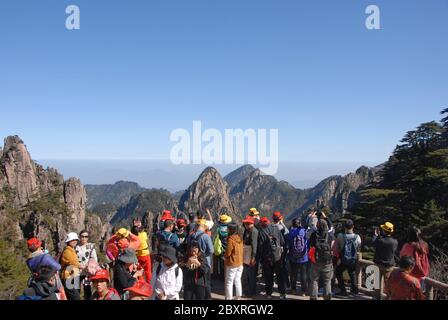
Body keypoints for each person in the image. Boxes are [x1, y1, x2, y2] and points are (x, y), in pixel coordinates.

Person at [258, 217, 287, 299]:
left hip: (267, 258)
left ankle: (269, 294)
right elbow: (282, 242)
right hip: (277, 256)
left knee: (268, 276)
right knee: (279, 276)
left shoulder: (262, 232)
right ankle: (282, 293)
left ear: (262, 224)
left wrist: (261, 258)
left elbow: (260, 247)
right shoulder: (276, 228)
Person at [334, 219, 361, 296]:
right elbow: (358, 247)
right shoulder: (357, 237)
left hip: (343, 259)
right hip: (353, 259)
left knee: (338, 272)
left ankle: (343, 290)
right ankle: (355, 291)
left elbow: (336, 249)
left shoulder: (340, 236)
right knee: (352, 273)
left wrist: (338, 258)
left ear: (344, 227)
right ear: (353, 226)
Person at [308, 219, 333, 300]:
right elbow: (333, 248)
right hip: (327, 262)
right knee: (327, 280)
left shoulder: (314, 235)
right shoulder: (330, 235)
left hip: (316, 261)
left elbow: (311, 247)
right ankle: (327, 297)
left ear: (317, 226)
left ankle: (313, 297)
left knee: (314, 280)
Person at [287, 218, 309, 296]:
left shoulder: (291, 232)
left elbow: (288, 244)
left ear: (293, 224)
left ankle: (293, 290)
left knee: (293, 274)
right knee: (304, 274)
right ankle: (303, 291)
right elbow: (307, 242)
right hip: (304, 257)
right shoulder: (304, 231)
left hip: (293, 257)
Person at [372, 222, 398, 287]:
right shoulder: (395, 242)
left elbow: (373, 243)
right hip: (389, 266)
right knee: (388, 284)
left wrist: (375, 235)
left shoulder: (380, 241)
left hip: (379, 264)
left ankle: (377, 297)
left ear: (384, 230)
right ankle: (388, 296)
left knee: (377, 284)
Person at [60, 232, 83, 300]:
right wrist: (84, 267)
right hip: (68, 277)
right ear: (68, 241)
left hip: (73, 275)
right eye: (72, 240)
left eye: (75, 240)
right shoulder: (67, 250)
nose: (74, 241)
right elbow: (73, 262)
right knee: (75, 297)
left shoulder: (72, 250)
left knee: (71, 296)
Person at [224, 222, 243, 300]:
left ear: (230, 230)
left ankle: (229, 298)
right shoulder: (240, 237)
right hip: (240, 262)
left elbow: (228, 252)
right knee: (237, 279)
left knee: (229, 281)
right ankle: (238, 296)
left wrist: (225, 257)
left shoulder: (231, 239)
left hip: (232, 263)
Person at [76, 230, 98, 300]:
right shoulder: (76, 247)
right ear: (79, 237)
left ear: (88, 238)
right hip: (77, 272)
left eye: (86, 236)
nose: (84, 238)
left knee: (87, 290)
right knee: (76, 290)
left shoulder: (91, 247)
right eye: (82, 236)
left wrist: (87, 266)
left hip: (87, 273)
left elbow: (94, 259)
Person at [242, 215, 259, 297]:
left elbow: (254, 246)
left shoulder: (254, 232)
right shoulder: (247, 230)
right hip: (246, 256)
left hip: (250, 257)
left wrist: (253, 258)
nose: (244, 225)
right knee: (246, 275)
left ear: (250, 223)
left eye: (246, 223)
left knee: (251, 275)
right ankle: (247, 291)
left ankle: (251, 292)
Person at [131, 218, 152, 284]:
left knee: (139, 270)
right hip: (146, 254)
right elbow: (144, 232)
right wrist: (139, 226)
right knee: (148, 270)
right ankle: (149, 284)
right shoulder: (143, 235)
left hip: (138, 256)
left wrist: (135, 227)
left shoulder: (133, 237)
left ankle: (140, 284)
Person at [214, 214, 232, 279]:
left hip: (221, 248)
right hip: (228, 247)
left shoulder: (218, 229)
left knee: (222, 262)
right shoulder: (229, 229)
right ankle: (227, 276)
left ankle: (222, 276)